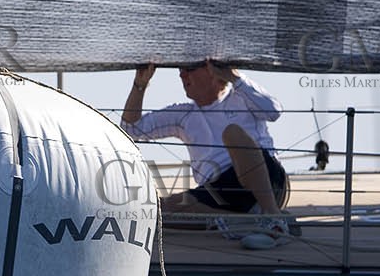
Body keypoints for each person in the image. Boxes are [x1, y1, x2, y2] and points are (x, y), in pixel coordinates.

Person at [121, 61, 292, 248]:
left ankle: (273, 217)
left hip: (266, 179)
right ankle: (244, 222)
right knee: (157, 210)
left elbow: (274, 111)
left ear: (214, 72)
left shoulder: (241, 97)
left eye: (189, 69)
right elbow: (130, 129)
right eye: (180, 71)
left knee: (232, 133)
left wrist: (234, 77)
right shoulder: (183, 115)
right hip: (220, 191)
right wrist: (140, 84)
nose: (182, 75)